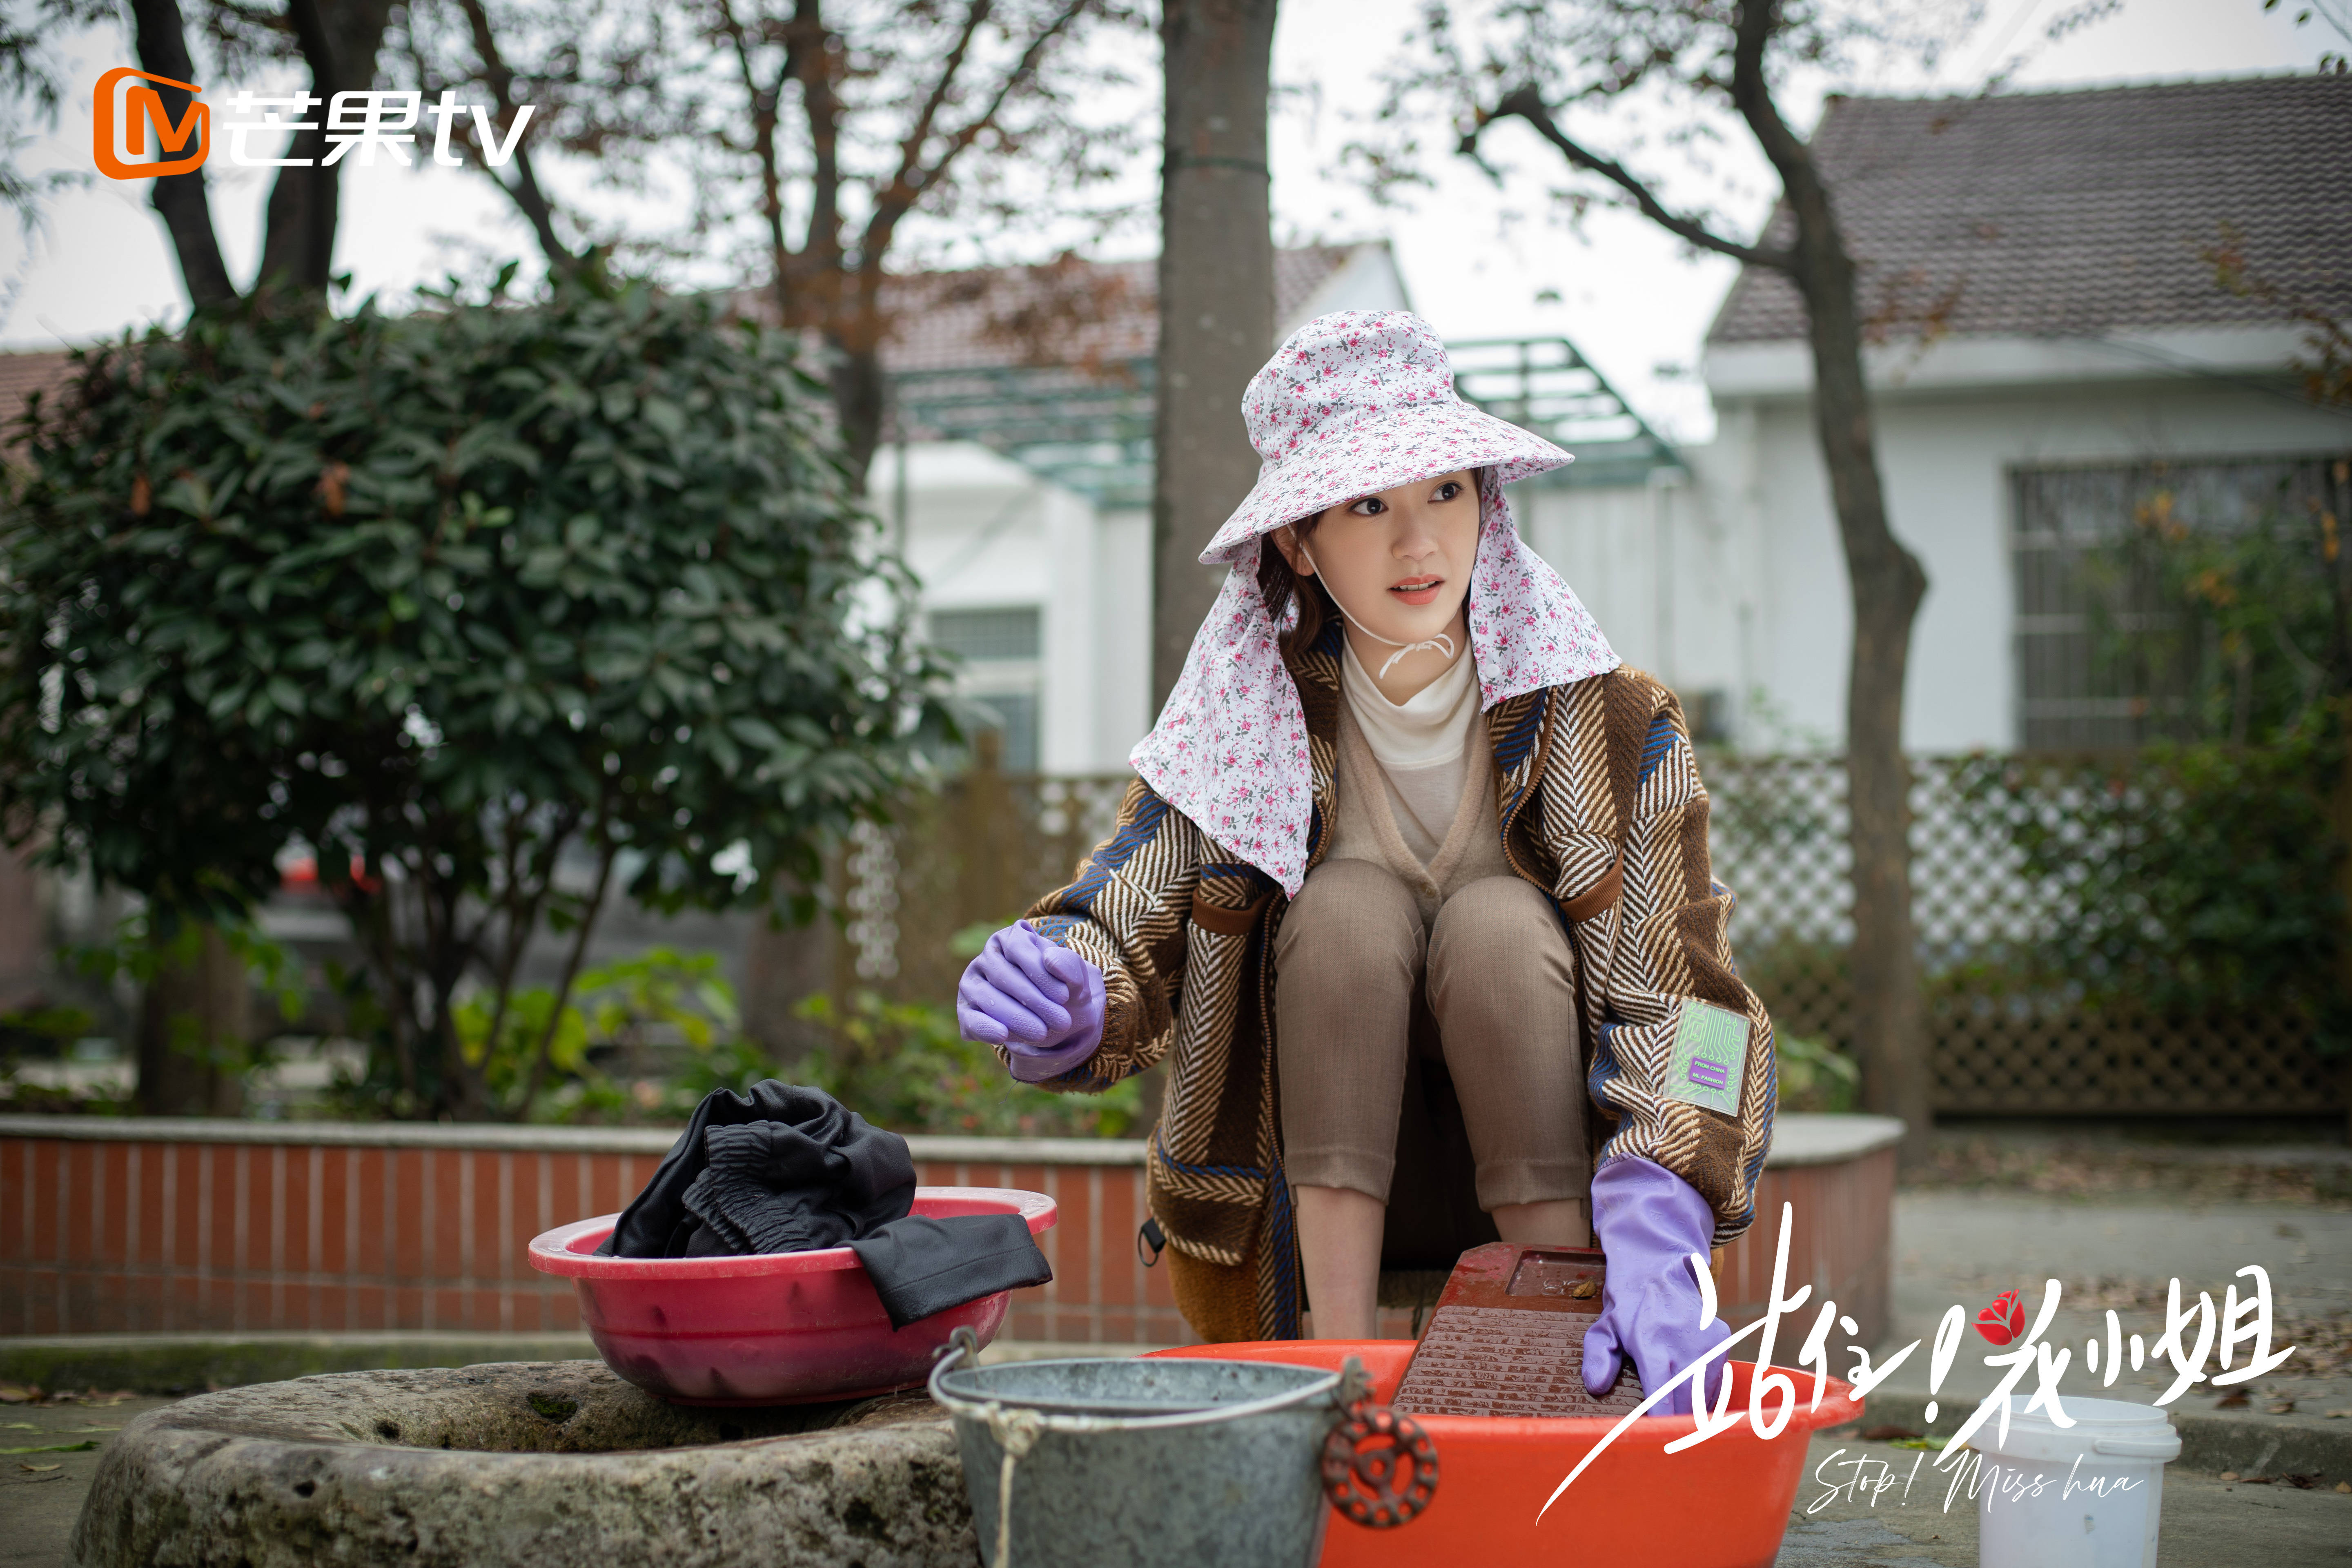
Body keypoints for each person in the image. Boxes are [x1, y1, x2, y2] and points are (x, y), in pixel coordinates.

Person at [954, 311, 1770, 1414]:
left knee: (1499, 925)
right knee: (1343, 908)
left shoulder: (1613, 724)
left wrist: (1662, 1208)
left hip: (1567, 1185)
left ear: (1488, 500)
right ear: (1298, 541)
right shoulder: (1242, 722)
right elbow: (1129, 907)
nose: (1419, 543)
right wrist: (1068, 988)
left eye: (1446, 491)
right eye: (1368, 505)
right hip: (1294, 1207)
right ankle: (1331, 1382)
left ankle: (1559, 1337)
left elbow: (1701, 1004)